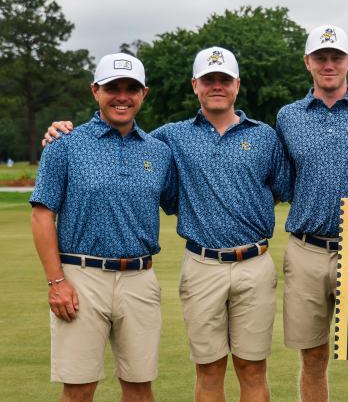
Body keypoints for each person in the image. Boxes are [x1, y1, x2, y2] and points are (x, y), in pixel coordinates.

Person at [42, 47, 292, 401]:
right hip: (201, 265)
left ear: (237, 84)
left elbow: (282, 188)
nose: (216, 86)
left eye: (224, 80)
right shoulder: (168, 138)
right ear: (195, 85)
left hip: (255, 263)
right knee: (208, 369)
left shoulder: (265, 136)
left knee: (253, 368)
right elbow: (124, 140)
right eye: (209, 80)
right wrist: (58, 130)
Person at [30, 53, 175, 402]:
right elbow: (41, 215)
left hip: (140, 278)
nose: (122, 96)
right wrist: (57, 283)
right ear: (95, 90)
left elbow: (180, 202)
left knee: (140, 388)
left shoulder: (159, 151)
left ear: (144, 94)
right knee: (79, 390)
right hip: (80, 277)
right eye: (113, 87)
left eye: (131, 88)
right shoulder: (65, 144)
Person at [276, 24, 348, 402]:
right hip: (306, 249)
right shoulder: (288, 116)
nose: (329, 64)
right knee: (312, 357)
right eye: (321, 57)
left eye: (336, 57)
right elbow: (285, 179)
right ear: (308, 62)